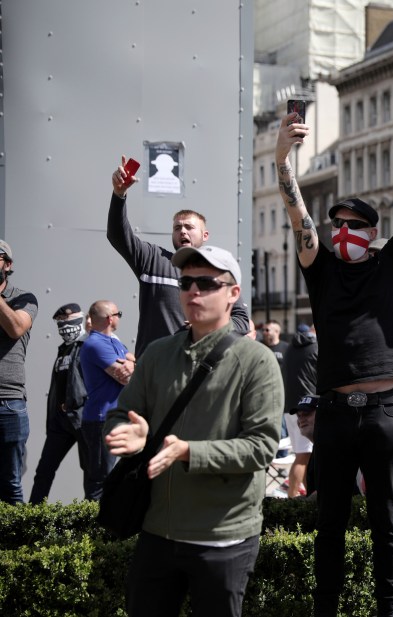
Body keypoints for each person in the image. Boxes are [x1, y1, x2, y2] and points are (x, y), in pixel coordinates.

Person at [276, 109, 393, 617]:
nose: (341, 231)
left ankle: (389, 610)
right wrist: (283, 160)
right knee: (331, 520)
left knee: (388, 519)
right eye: (336, 224)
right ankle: (327, 609)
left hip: (387, 411)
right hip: (337, 414)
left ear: (372, 231)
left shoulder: (392, 262)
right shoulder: (318, 268)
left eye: (353, 225)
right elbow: (296, 211)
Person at [104, 245, 283, 617]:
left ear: (233, 293)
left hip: (224, 536)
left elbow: (261, 447)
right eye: (185, 283)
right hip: (158, 530)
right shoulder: (156, 353)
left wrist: (190, 452)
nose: (192, 292)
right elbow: (122, 414)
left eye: (206, 283)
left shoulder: (257, 361)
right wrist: (132, 435)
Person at [108, 159, 250, 356]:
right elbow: (118, 236)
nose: (182, 231)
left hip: (196, 370)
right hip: (153, 371)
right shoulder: (153, 259)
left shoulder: (219, 271)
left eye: (189, 227)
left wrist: (207, 323)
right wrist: (119, 194)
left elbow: (242, 321)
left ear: (205, 235)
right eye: (177, 228)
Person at [28, 303, 89, 503]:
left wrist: (79, 404)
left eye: (66, 319)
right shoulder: (63, 349)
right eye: (59, 321)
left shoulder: (88, 346)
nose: (63, 325)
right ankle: (34, 517)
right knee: (44, 470)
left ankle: (94, 520)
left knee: (91, 473)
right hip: (59, 422)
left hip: (82, 419)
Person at [78, 300, 134, 500]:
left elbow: (134, 361)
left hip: (115, 419)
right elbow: (125, 377)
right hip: (101, 421)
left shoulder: (114, 342)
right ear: (110, 318)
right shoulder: (94, 344)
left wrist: (130, 363)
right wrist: (129, 365)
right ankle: (93, 529)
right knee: (101, 480)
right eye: (118, 313)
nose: (119, 317)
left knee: (115, 478)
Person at [0, 240, 38, 504]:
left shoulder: (23, 298)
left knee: (10, 483)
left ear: (8, 264)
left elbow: (15, 328)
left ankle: (14, 544)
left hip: (8, 402)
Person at [283, 323, 317, 498]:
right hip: (308, 406)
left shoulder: (290, 347)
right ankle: (292, 498)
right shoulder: (316, 347)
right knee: (304, 456)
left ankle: (308, 494)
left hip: (290, 406)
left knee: (304, 455)